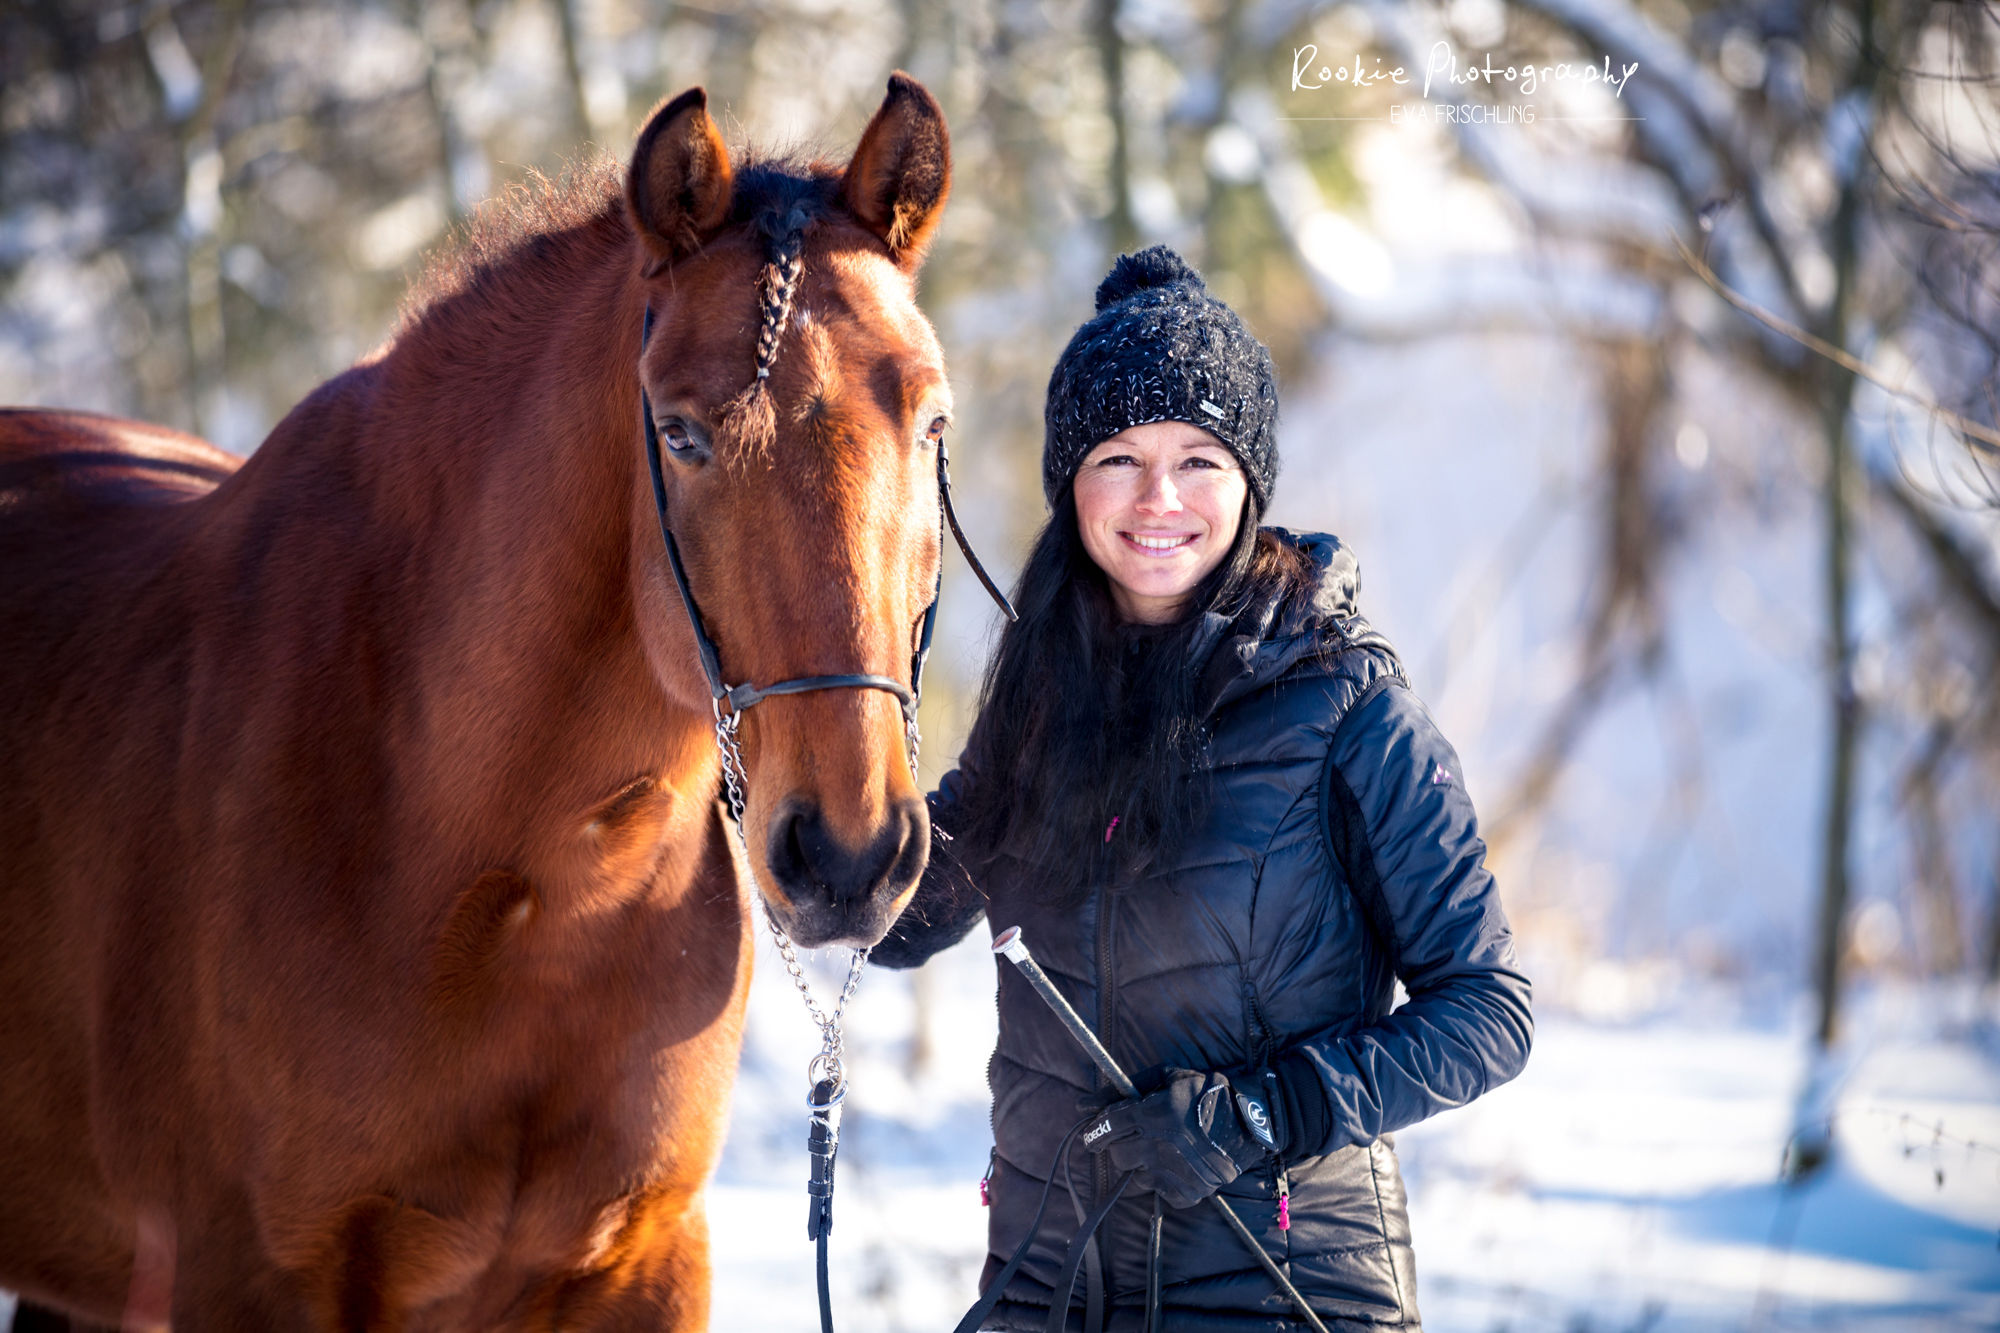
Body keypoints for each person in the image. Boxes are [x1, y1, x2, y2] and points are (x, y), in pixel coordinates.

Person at [873, 246, 1533, 1333]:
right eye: (1118, 457)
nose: (1159, 498)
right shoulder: (1039, 699)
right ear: (1069, 484)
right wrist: (790, 755)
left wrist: (1260, 1113)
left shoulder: (1344, 705)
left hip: (1280, 1292)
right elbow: (898, 919)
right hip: (1046, 1290)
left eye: (1198, 458)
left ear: (1249, 482)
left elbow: (1488, 1011)